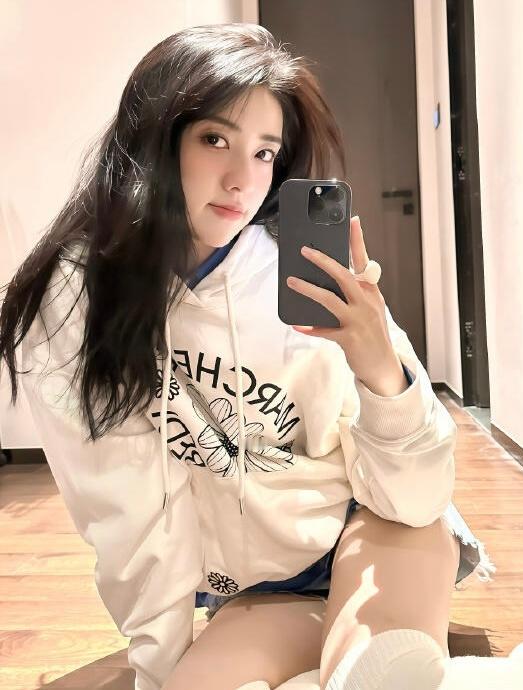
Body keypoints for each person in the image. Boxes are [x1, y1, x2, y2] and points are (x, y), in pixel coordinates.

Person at [0, 23, 495, 690]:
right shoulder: (76, 297)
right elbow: (124, 512)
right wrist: (161, 663)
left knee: (375, 668)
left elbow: (414, 496)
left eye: (265, 153)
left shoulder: (302, 274)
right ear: (153, 138)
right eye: (215, 140)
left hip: (377, 526)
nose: (242, 180)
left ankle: (368, 648)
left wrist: (383, 371)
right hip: (262, 585)